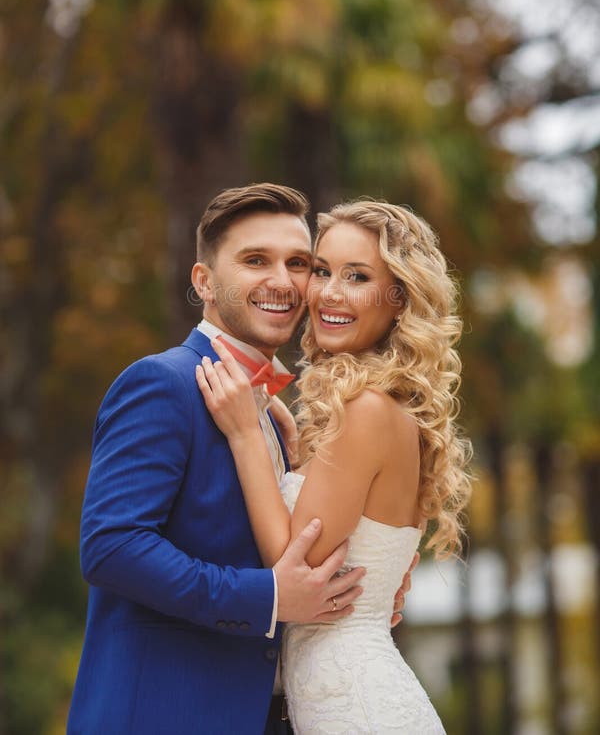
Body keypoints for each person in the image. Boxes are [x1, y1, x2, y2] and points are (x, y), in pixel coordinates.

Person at [67, 184, 411, 735]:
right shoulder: (164, 383)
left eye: (299, 263)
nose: (282, 281)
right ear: (204, 281)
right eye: (255, 261)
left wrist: (376, 577)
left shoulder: (276, 416)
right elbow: (112, 546)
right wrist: (269, 597)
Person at [197, 198, 472, 734]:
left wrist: (246, 434)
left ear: (399, 300)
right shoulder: (377, 408)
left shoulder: (368, 410)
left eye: (357, 276)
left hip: (356, 708)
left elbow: (292, 565)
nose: (328, 293)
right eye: (321, 271)